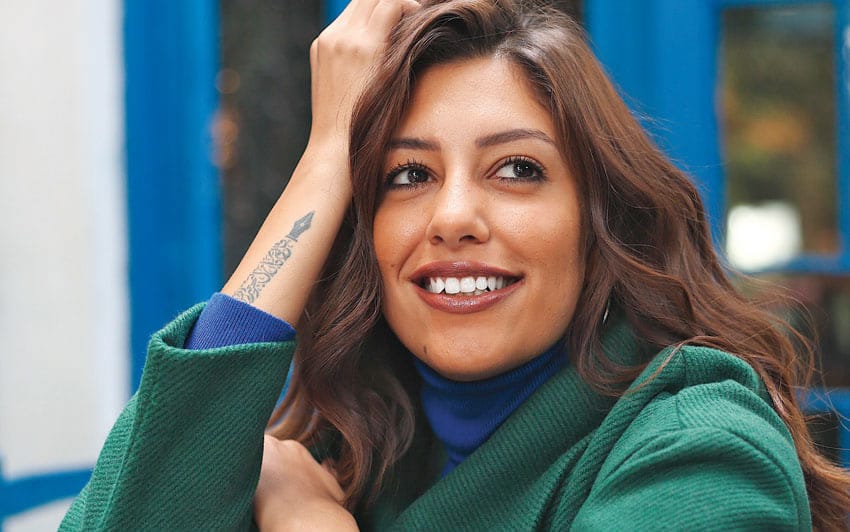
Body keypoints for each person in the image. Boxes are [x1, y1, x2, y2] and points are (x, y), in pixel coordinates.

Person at [61, 0, 850, 530]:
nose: (453, 218)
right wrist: (327, 154)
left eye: (517, 169)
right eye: (408, 175)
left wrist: (311, 524)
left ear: (601, 223)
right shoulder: (354, 449)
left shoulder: (699, 447)